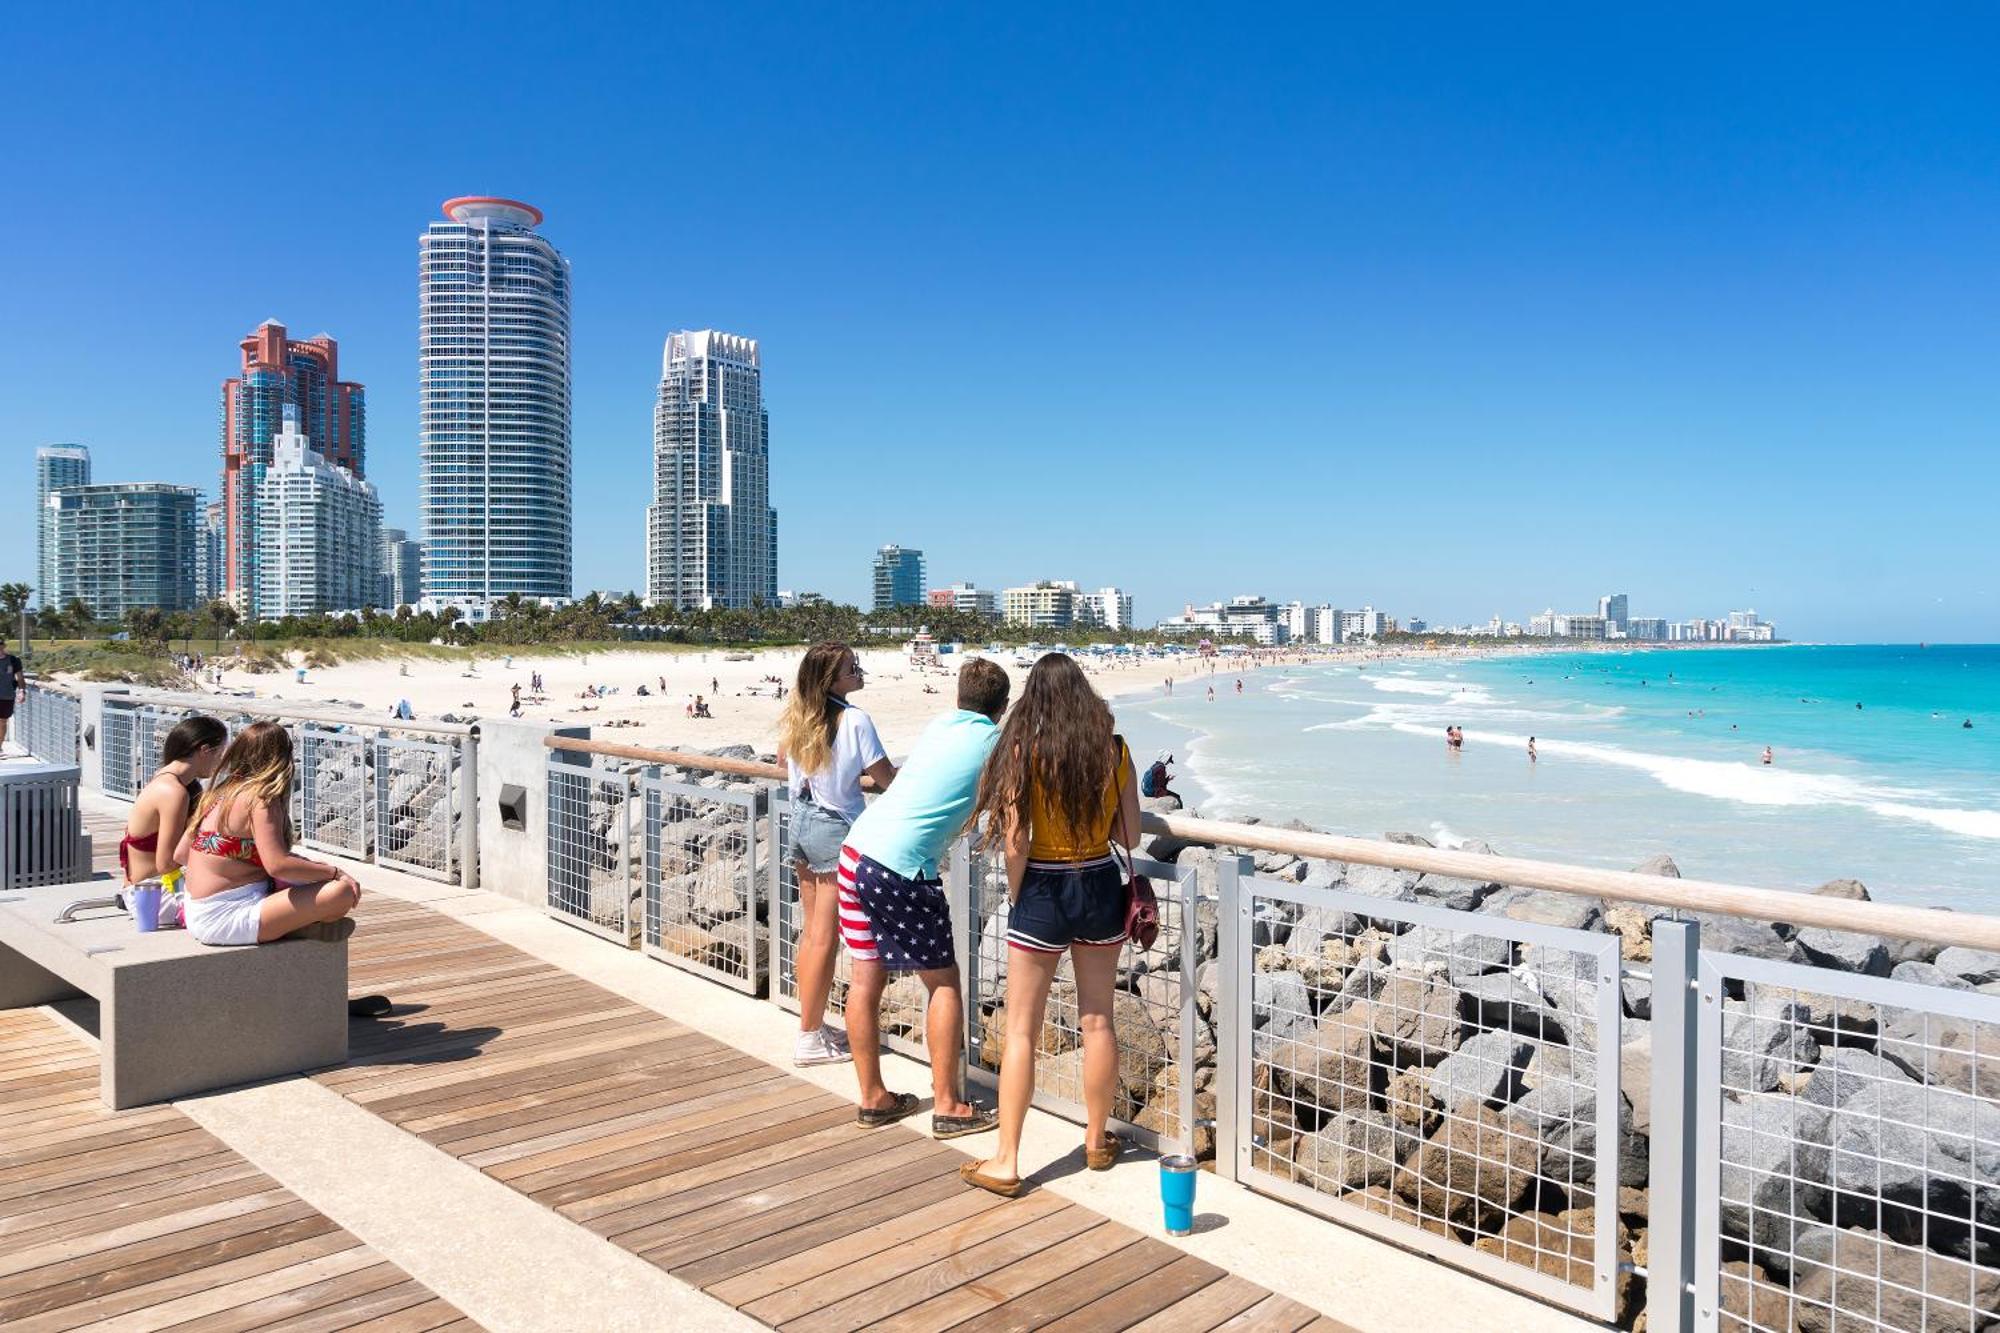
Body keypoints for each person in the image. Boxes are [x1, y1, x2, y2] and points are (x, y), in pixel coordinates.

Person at [960, 653, 1141, 1196]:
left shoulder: (1022, 750)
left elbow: (1015, 840)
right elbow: (1130, 835)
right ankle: (1095, 1138)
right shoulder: (1112, 750)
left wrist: (1019, 895)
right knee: (1098, 1023)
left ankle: (1008, 1160)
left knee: (1021, 1030)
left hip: (1041, 885)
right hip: (1099, 884)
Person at [838, 657, 1011, 1134]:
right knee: (944, 983)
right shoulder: (997, 742)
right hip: (901, 867)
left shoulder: (941, 725)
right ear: (1003, 707)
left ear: (959, 698)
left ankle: (874, 1098)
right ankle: (949, 1106)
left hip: (857, 850)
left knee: (865, 974)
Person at [777, 643, 894, 1067]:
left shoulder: (799, 714)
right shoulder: (856, 719)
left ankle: (813, 1025)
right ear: (832, 680)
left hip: (802, 820)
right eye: (852, 668)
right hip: (834, 826)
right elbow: (885, 779)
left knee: (813, 934)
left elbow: (782, 760)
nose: (859, 672)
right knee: (825, 938)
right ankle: (808, 1037)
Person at [174, 721, 362, 947]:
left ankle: (293, 923)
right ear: (281, 759)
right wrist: (335, 872)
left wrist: (235, 862)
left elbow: (181, 854)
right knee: (340, 893)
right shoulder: (260, 798)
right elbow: (277, 865)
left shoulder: (217, 794)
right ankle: (294, 926)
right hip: (226, 917)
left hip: (196, 910)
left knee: (313, 879)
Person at [0, 642, 22, 755]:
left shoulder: (13, 660)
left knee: (3, 722)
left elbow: (20, 677)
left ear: (3, 646)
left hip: (7, 695)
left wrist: (22, 691)